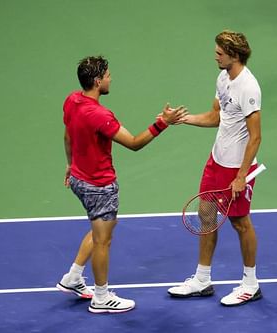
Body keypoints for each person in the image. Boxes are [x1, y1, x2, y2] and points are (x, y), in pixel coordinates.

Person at [57, 55, 187, 314]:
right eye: (107, 75)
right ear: (97, 81)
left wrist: (71, 166)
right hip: (99, 186)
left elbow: (67, 135)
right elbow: (135, 143)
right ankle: (101, 297)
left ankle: (73, 277)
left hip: (79, 180)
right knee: (103, 240)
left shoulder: (72, 100)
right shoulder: (100, 115)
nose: (110, 78)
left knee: (98, 231)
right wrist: (163, 122)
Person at [167, 30, 263, 306]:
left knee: (240, 223)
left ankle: (250, 283)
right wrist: (183, 119)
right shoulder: (223, 78)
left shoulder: (249, 87)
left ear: (234, 54)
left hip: (236, 168)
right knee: (206, 215)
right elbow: (216, 117)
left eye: (220, 52)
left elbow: (255, 136)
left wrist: (242, 176)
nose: (215, 55)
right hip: (216, 161)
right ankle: (202, 279)